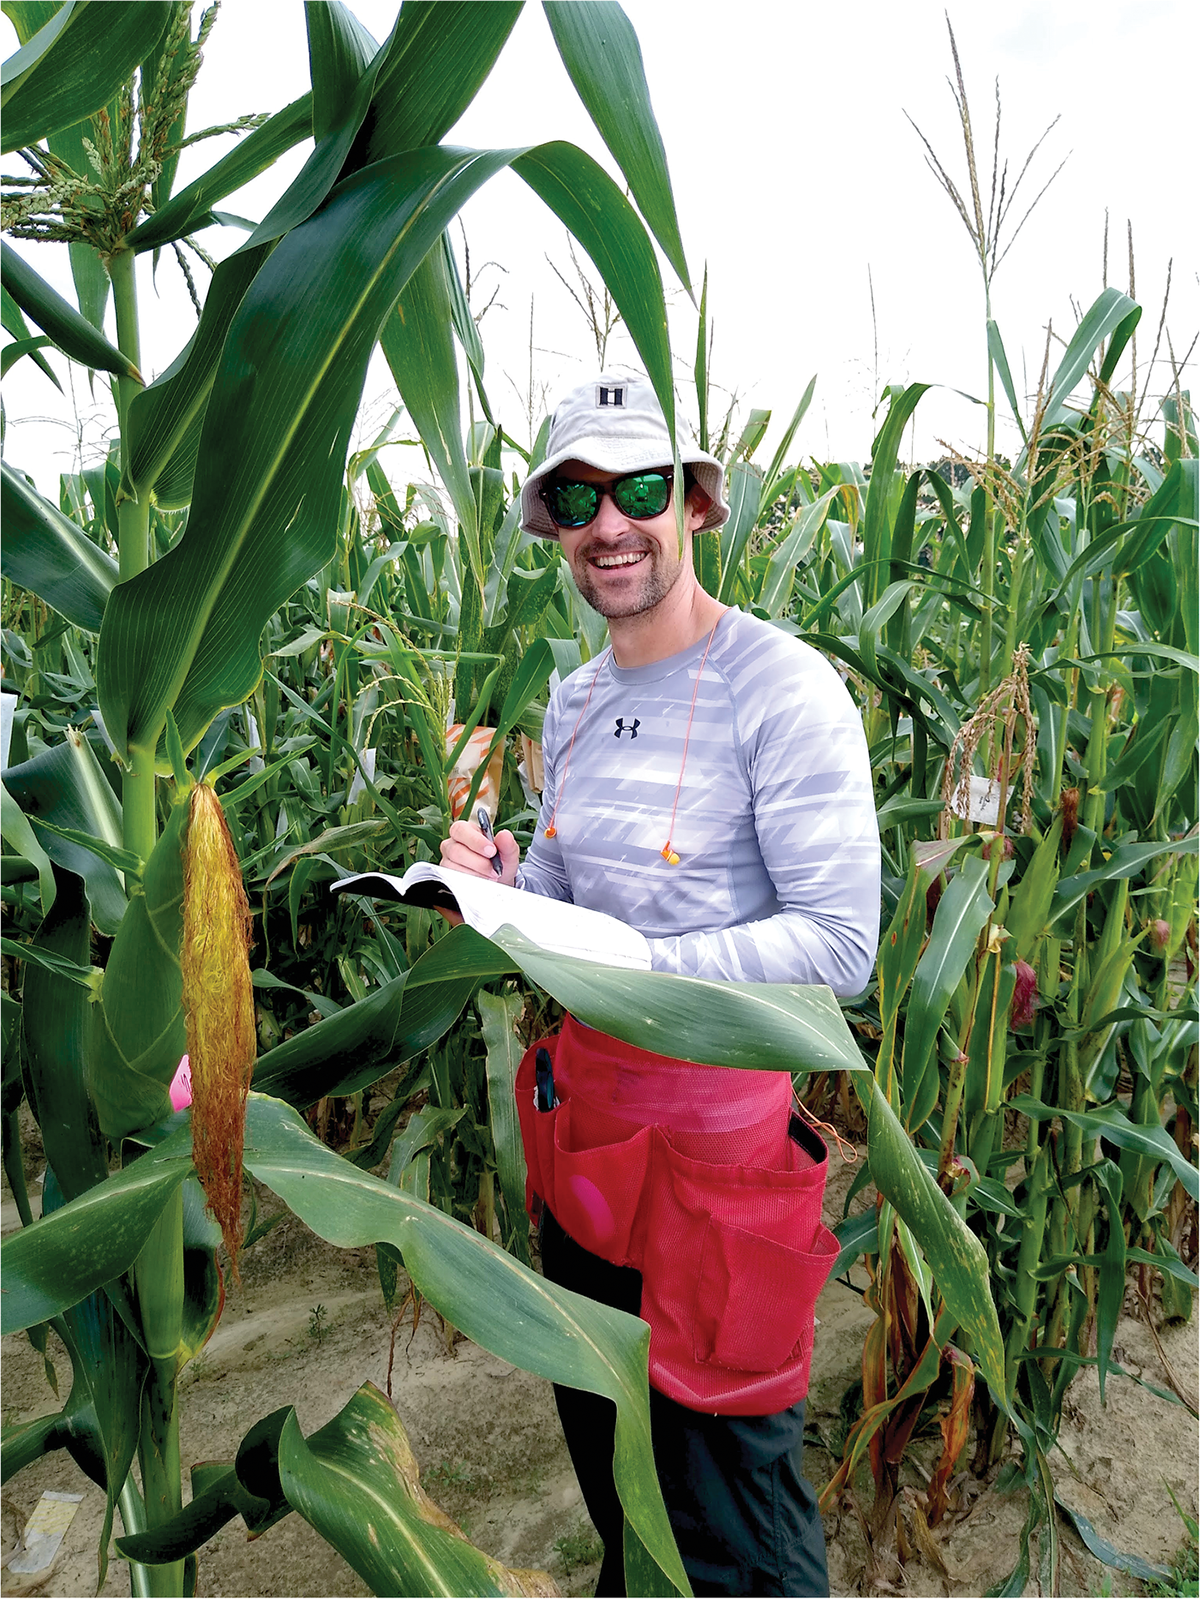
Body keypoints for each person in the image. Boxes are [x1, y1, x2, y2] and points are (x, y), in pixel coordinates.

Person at [440, 373, 880, 1597]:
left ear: (692, 504)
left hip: (716, 1181)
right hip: (589, 1153)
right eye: (578, 500)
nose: (610, 525)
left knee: (733, 1521)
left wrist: (640, 972)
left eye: (638, 489)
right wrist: (506, 880)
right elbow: (570, 883)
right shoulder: (577, 697)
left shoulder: (782, 688)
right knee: (620, 1479)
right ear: (556, 527)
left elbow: (839, 944)